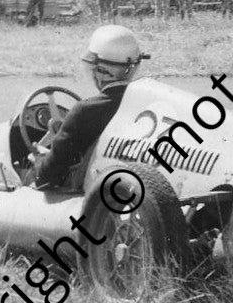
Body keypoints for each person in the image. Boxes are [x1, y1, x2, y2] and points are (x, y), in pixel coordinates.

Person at [32, 25, 148, 190]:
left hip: (92, 192)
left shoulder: (85, 111)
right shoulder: (145, 102)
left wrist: (41, 161)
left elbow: (47, 178)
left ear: (101, 71)